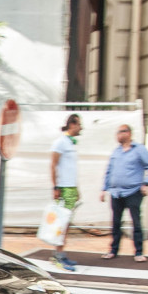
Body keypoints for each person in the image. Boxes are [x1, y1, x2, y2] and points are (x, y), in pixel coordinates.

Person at [99, 124, 148, 262]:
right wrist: (104, 189)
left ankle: (138, 252)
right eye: (117, 132)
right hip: (116, 193)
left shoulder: (139, 150)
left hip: (133, 191)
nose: (118, 135)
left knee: (136, 222)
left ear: (129, 133)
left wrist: (146, 183)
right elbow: (109, 171)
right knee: (116, 223)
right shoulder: (116, 152)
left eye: (121, 132)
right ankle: (113, 250)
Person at [48, 114, 83, 271]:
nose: (81, 128)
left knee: (66, 223)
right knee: (62, 222)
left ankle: (60, 254)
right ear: (72, 125)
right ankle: (58, 256)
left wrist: (77, 189)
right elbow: (53, 165)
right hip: (64, 188)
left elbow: (70, 169)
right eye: (79, 125)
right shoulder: (60, 142)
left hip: (71, 188)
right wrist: (56, 187)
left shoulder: (69, 143)